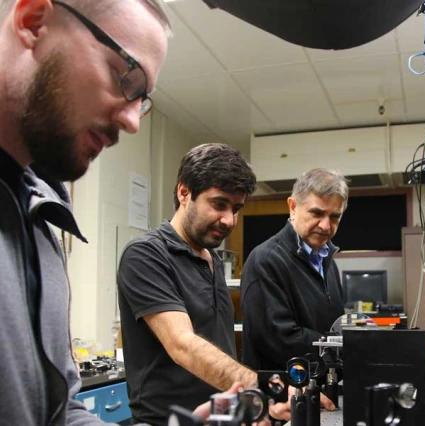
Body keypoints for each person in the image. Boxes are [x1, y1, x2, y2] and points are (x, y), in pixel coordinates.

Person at [0, 0, 169, 425]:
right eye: (124, 75)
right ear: (33, 20)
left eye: (142, 98)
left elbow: (60, 411)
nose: (133, 121)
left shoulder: (40, 217)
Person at [118, 143, 298, 426]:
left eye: (236, 208)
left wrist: (253, 406)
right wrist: (265, 387)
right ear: (184, 192)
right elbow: (183, 344)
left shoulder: (212, 259)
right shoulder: (145, 254)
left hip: (221, 418)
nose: (229, 220)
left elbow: (218, 349)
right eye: (219, 204)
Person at [240, 168, 348, 371]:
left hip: (323, 386)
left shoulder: (328, 262)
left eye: (334, 217)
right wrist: (342, 346)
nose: (325, 225)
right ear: (293, 207)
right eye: (317, 213)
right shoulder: (265, 260)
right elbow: (278, 340)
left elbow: (333, 326)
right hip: (282, 395)